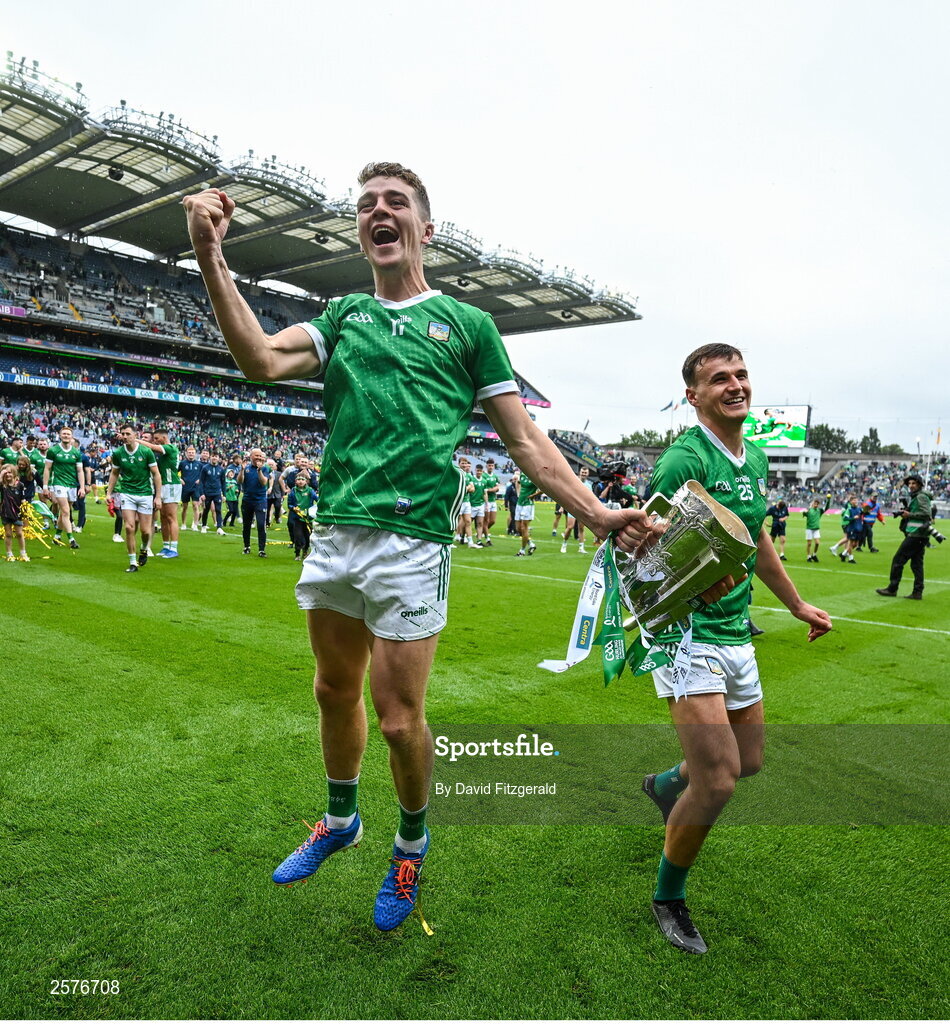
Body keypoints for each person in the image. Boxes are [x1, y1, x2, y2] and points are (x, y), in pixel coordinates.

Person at [183, 162, 656, 933]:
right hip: (336, 528)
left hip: (412, 544)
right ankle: (341, 821)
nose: (378, 211)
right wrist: (211, 257)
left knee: (400, 719)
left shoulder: (468, 327)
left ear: (424, 229)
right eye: (366, 204)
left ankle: (410, 841)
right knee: (332, 691)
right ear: (360, 231)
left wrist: (594, 511)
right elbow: (260, 361)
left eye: (395, 203)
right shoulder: (342, 317)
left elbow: (525, 441)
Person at [642, 343, 831, 955]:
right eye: (719, 378)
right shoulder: (683, 461)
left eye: (741, 374)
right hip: (684, 637)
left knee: (746, 763)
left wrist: (796, 602)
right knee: (720, 781)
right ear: (693, 396)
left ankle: (667, 787)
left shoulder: (751, 458)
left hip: (734, 634)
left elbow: (754, 541)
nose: (735, 385)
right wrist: (686, 589)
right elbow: (636, 558)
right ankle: (669, 897)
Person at [106, 423, 163, 573]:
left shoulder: (146, 452)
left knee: (145, 531)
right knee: (129, 527)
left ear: (135, 435)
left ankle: (144, 549)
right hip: (127, 493)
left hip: (145, 494)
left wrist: (158, 496)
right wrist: (108, 493)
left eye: (127, 434)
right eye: (123, 434)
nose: (125, 437)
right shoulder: (118, 453)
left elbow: (156, 474)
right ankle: (132, 562)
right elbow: (114, 473)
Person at [876, 475, 932, 600]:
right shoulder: (919, 496)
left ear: (920, 484)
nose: (911, 485)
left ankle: (892, 589)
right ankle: (917, 592)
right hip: (920, 535)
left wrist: (909, 514)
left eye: (914, 483)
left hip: (916, 534)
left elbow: (926, 514)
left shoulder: (921, 496)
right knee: (917, 564)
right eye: (910, 483)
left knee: (898, 560)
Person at [139, 429, 183, 558]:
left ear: (164, 437)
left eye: (157, 438)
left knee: (171, 517)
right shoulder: (164, 451)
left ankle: (174, 548)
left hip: (170, 485)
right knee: (163, 517)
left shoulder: (170, 448)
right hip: (162, 485)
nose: (155, 441)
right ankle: (165, 546)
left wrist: (135, 440)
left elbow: (152, 447)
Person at [42, 426, 83, 549]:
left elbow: (80, 471)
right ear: (60, 435)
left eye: (68, 434)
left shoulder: (76, 452)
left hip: (71, 484)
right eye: (64, 434)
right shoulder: (53, 450)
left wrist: (81, 487)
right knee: (66, 511)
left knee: (64, 512)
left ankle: (57, 536)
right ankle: (71, 539)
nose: (66, 435)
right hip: (58, 483)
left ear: (72, 436)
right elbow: (47, 468)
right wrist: (45, 486)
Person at [238, 449, 270, 556]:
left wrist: (259, 470)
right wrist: (242, 470)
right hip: (247, 500)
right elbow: (240, 481)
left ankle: (262, 549)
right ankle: (246, 546)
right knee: (246, 525)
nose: (258, 457)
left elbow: (264, 482)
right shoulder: (246, 468)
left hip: (260, 500)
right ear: (251, 456)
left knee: (261, 524)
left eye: (260, 455)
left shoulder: (265, 468)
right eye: (256, 455)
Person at [561, 465, 594, 554]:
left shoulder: (589, 485)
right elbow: (568, 495)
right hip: (573, 508)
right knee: (570, 527)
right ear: (580, 472)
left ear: (588, 474)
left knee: (581, 528)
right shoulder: (574, 482)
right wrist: (562, 506)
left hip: (582, 509)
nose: (583, 474)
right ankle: (564, 543)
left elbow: (589, 498)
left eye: (585, 472)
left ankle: (581, 547)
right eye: (582, 472)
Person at [286, 470, 318, 560]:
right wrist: (293, 508)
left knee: (308, 536)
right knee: (298, 535)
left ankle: (305, 551)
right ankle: (297, 553)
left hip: (308, 518)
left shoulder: (310, 491)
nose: (300, 481)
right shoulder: (293, 491)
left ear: (306, 481)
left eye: (302, 479)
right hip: (297, 518)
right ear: (295, 481)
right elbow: (289, 504)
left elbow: (317, 499)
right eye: (298, 479)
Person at [0, 462, 29, 562]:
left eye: (10, 472)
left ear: (14, 474)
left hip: (17, 513)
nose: (8, 474)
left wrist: (25, 509)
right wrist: (1, 475)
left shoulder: (20, 485)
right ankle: (9, 554)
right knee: (8, 534)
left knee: (20, 533)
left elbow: (23, 498)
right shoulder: (3, 486)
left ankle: (23, 553)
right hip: (5, 512)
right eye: (5, 473)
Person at [200, 452, 226, 534]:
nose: (214, 458)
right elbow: (201, 482)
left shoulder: (221, 469)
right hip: (207, 492)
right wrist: (202, 493)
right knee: (206, 509)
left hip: (217, 492)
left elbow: (223, 482)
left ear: (218, 458)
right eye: (213, 456)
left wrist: (224, 494)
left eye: (216, 456)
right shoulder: (205, 468)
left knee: (218, 510)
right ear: (210, 457)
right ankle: (203, 526)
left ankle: (219, 527)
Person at [514, 471, 539, 555]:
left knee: (524, 527)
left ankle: (522, 550)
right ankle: (531, 544)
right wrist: (518, 494)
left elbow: (544, 488)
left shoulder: (535, 476)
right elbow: (518, 482)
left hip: (528, 505)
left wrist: (534, 495)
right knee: (518, 528)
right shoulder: (523, 474)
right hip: (519, 503)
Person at [178, 445, 203, 531]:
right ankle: (183, 524)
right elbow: (174, 472)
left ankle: (195, 525)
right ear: (186, 454)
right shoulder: (182, 463)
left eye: (192, 453)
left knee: (195, 506)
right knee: (184, 507)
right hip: (185, 487)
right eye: (189, 453)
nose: (191, 454)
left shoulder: (199, 464)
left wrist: (200, 479)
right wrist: (179, 479)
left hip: (195, 488)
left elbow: (204, 475)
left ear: (195, 454)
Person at [479, 457, 500, 544]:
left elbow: (497, 488)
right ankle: (487, 538)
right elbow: (484, 490)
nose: (491, 467)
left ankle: (482, 531)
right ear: (486, 466)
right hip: (485, 501)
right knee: (486, 520)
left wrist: (490, 490)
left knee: (493, 521)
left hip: (493, 500)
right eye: (489, 465)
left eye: (492, 465)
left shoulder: (495, 476)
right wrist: (492, 489)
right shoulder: (483, 475)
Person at [803, 496, 829, 562]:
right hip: (809, 528)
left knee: (817, 543)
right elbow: (804, 513)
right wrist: (806, 510)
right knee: (809, 544)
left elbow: (827, 508)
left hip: (816, 529)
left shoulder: (819, 510)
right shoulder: (809, 510)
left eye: (817, 504)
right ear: (813, 503)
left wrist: (828, 500)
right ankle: (808, 556)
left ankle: (814, 555)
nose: (816, 505)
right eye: (815, 503)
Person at [223, 453, 242, 528]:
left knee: (236, 502)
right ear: (235, 459)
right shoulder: (230, 467)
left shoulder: (240, 467)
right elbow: (226, 476)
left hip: (237, 486)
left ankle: (234, 518)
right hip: (229, 487)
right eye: (239, 459)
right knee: (230, 506)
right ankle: (230, 517)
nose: (240, 461)